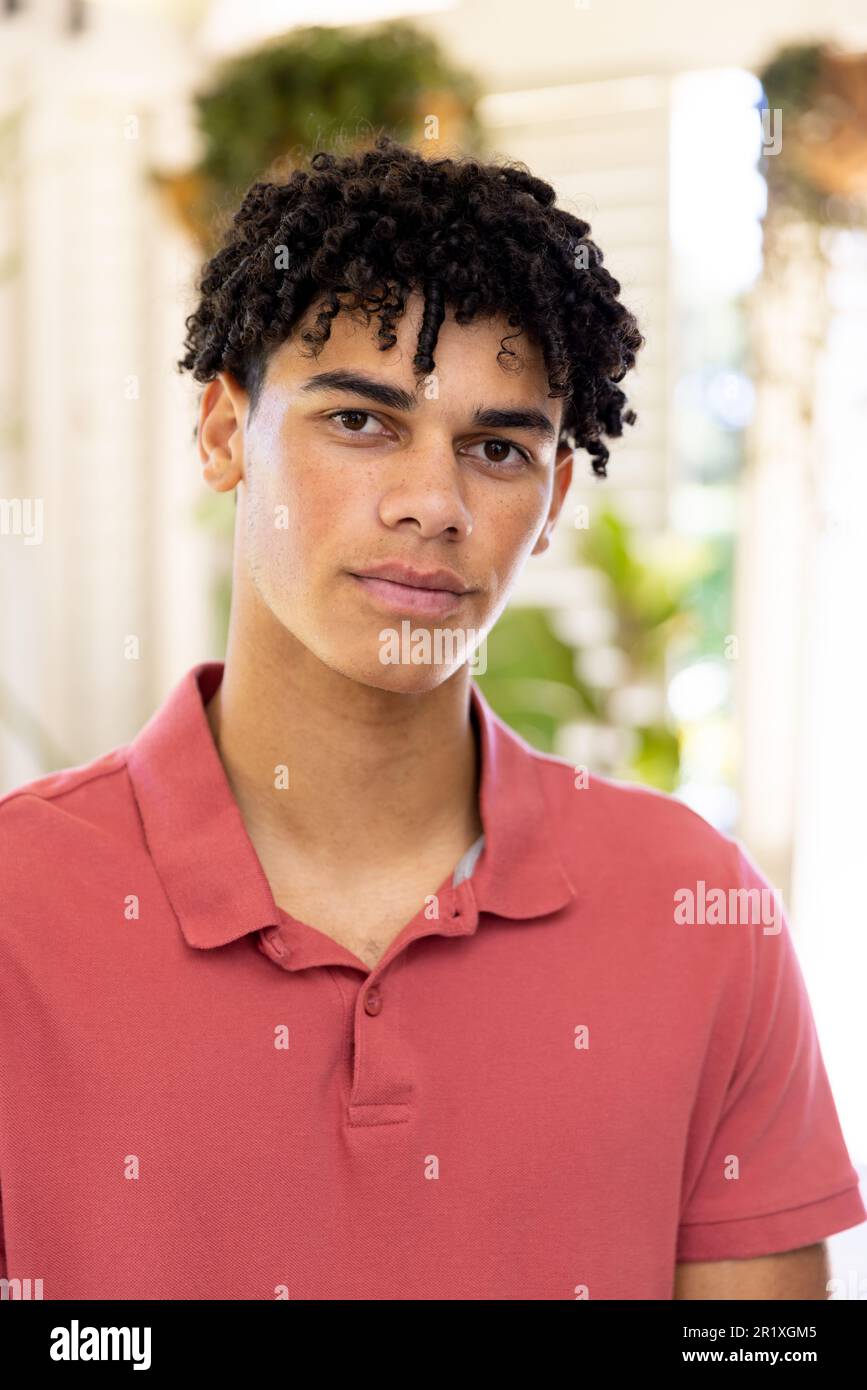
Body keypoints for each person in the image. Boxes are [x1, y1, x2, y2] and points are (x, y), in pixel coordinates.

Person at [0, 137, 862, 1301]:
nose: (432, 504)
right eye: (360, 422)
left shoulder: (696, 909)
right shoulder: (20, 906)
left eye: (496, 449)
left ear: (552, 500)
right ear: (221, 434)